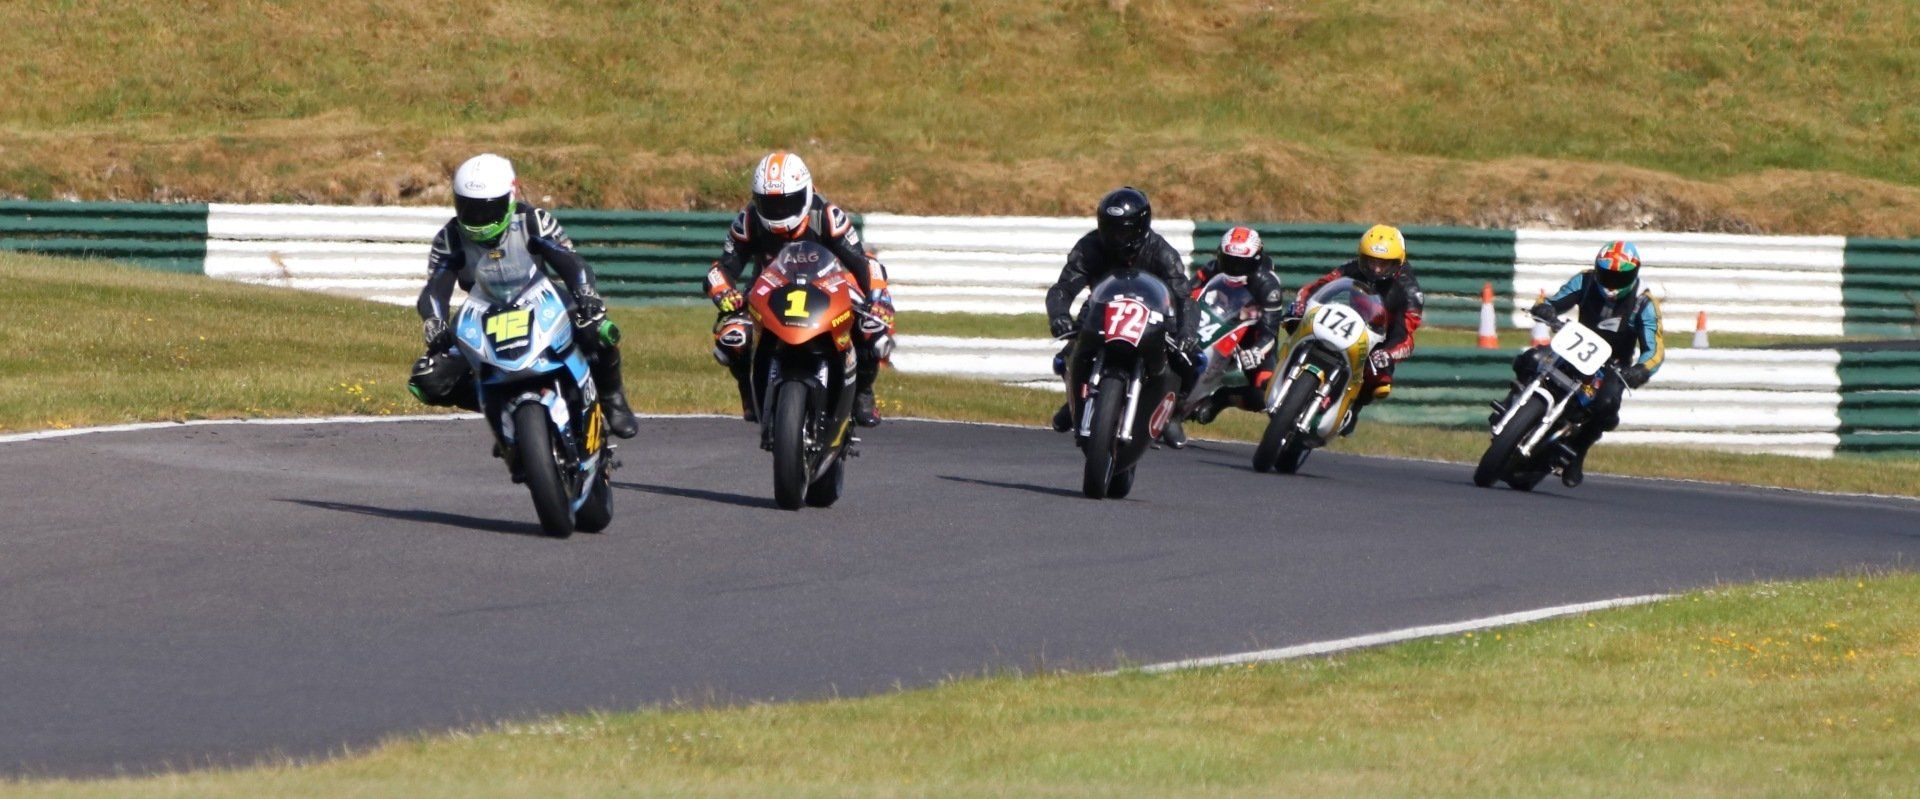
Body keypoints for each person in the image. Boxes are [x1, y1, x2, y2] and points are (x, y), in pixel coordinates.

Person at [408, 153, 639, 440]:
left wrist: (586, 295)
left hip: (542, 298)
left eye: (487, 209)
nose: (478, 218)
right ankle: (501, 405)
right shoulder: (450, 238)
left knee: (598, 329)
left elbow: (570, 262)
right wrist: (434, 321)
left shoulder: (533, 221)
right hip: (482, 311)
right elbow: (436, 287)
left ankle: (612, 398)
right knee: (427, 380)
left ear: (510, 196)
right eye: (469, 208)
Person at [704, 151, 892, 426]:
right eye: (770, 204)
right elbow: (721, 268)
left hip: (826, 285)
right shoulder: (748, 221)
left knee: (871, 326)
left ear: (805, 193)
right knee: (734, 336)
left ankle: (862, 391)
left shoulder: (827, 215)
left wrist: (877, 298)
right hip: (768, 288)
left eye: (787, 203)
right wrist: (723, 292)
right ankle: (748, 391)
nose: (778, 212)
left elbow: (863, 263)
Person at [1045, 186, 1200, 447]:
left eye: (1123, 229)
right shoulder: (1089, 247)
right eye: (1109, 227)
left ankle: (1170, 413)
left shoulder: (1163, 253)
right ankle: (1076, 401)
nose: (1115, 236)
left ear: (1140, 227)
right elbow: (1063, 288)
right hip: (1101, 311)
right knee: (1065, 358)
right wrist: (1059, 315)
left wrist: (1187, 332)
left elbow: (1184, 297)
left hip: (1152, 317)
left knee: (1190, 361)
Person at [1516, 240, 1664, 487]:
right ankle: (1516, 403)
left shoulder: (1643, 303)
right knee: (1529, 360)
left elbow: (1655, 350)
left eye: (1619, 277)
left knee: (1606, 405)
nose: (1611, 282)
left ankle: (1578, 452)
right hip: (1573, 346)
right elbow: (1555, 301)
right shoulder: (1584, 281)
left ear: (1634, 274)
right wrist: (1546, 309)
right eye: (1606, 274)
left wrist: (1641, 369)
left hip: (1611, 366)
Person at [1288, 224, 1423, 435]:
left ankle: (1353, 407)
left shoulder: (1410, 291)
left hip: (1379, 338)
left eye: (1384, 264)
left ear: (1397, 263)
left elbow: (1406, 334)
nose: (1376, 269)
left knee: (1380, 384)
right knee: (1293, 326)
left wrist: (1388, 354)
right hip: (1346, 321)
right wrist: (1301, 303)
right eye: (1371, 261)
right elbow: (1318, 286)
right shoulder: (1353, 268)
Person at [1187, 226, 1288, 424]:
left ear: (1255, 261)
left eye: (1241, 263)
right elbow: (1185, 292)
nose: (1233, 268)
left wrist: (1257, 351)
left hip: (1250, 335)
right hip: (1210, 317)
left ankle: (1222, 399)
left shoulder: (1268, 285)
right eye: (1228, 261)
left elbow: (1269, 332)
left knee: (1266, 394)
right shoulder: (1213, 267)